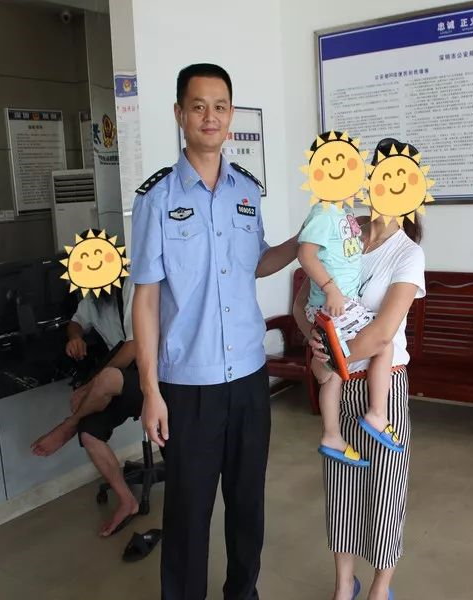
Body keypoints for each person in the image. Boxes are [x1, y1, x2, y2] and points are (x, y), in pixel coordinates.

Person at [130, 63, 299, 600]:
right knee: (188, 514)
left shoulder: (245, 191)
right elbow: (146, 299)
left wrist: (305, 240)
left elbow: (257, 262)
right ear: (179, 114)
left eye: (220, 107)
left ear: (231, 116)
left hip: (248, 377)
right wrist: (151, 391)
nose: (210, 116)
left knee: (248, 506)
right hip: (188, 387)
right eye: (198, 106)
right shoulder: (156, 199)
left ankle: (242, 594)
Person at [293, 137, 426, 600]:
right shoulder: (342, 228)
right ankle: (342, 587)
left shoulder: (408, 254)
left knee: (385, 496)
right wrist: (314, 344)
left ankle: (378, 589)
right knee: (342, 491)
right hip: (337, 381)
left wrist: (333, 357)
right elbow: (302, 302)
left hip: (381, 390)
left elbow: (384, 333)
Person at [298, 131, 401, 469]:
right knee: (383, 345)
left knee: (331, 374)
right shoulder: (323, 213)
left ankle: (331, 434)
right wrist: (330, 288)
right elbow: (305, 254)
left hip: (334, 306)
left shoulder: (343, 215)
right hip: (334, 305)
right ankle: (377, 413)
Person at [30, 274, 142, 537]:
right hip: (118, 381)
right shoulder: (93, 298)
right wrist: (75, 337)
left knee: (106, 378)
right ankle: (128, 502)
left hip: (152, 375)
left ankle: (67, 426)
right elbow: (76, 322)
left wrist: (90, 386)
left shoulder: (132, 286)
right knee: (89, 432)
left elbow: (133, 347)